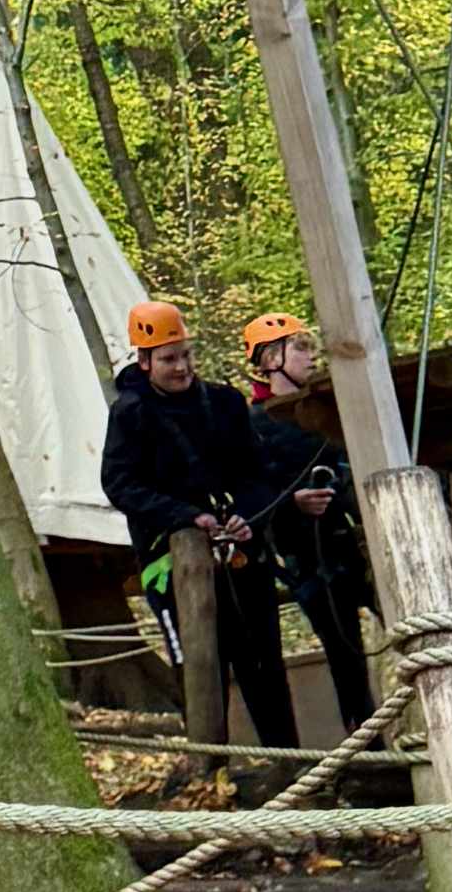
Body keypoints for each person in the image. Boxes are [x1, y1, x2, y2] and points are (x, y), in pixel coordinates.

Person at [99, 297, 305, 785]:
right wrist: (185, 517)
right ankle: (208, 772)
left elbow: (256, 473)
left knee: (262, 661)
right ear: (145, 361)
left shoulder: (225, 404)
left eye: (186, 355)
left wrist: (247, 518)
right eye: (169, 359)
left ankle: (290, 766)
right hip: (170, 558)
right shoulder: (131, 415)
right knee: (200, 664)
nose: (182, 367)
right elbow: (120, 484)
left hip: (238, 550)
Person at [238, 311, 378, 749]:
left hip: (351, 543)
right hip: (306, 558)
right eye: (300, 348)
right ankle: (370, 755)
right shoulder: (251, 425)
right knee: (345, 657)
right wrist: (291, 504)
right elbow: (249, 491)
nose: (311, 357)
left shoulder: (328, 409)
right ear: (270, 358)